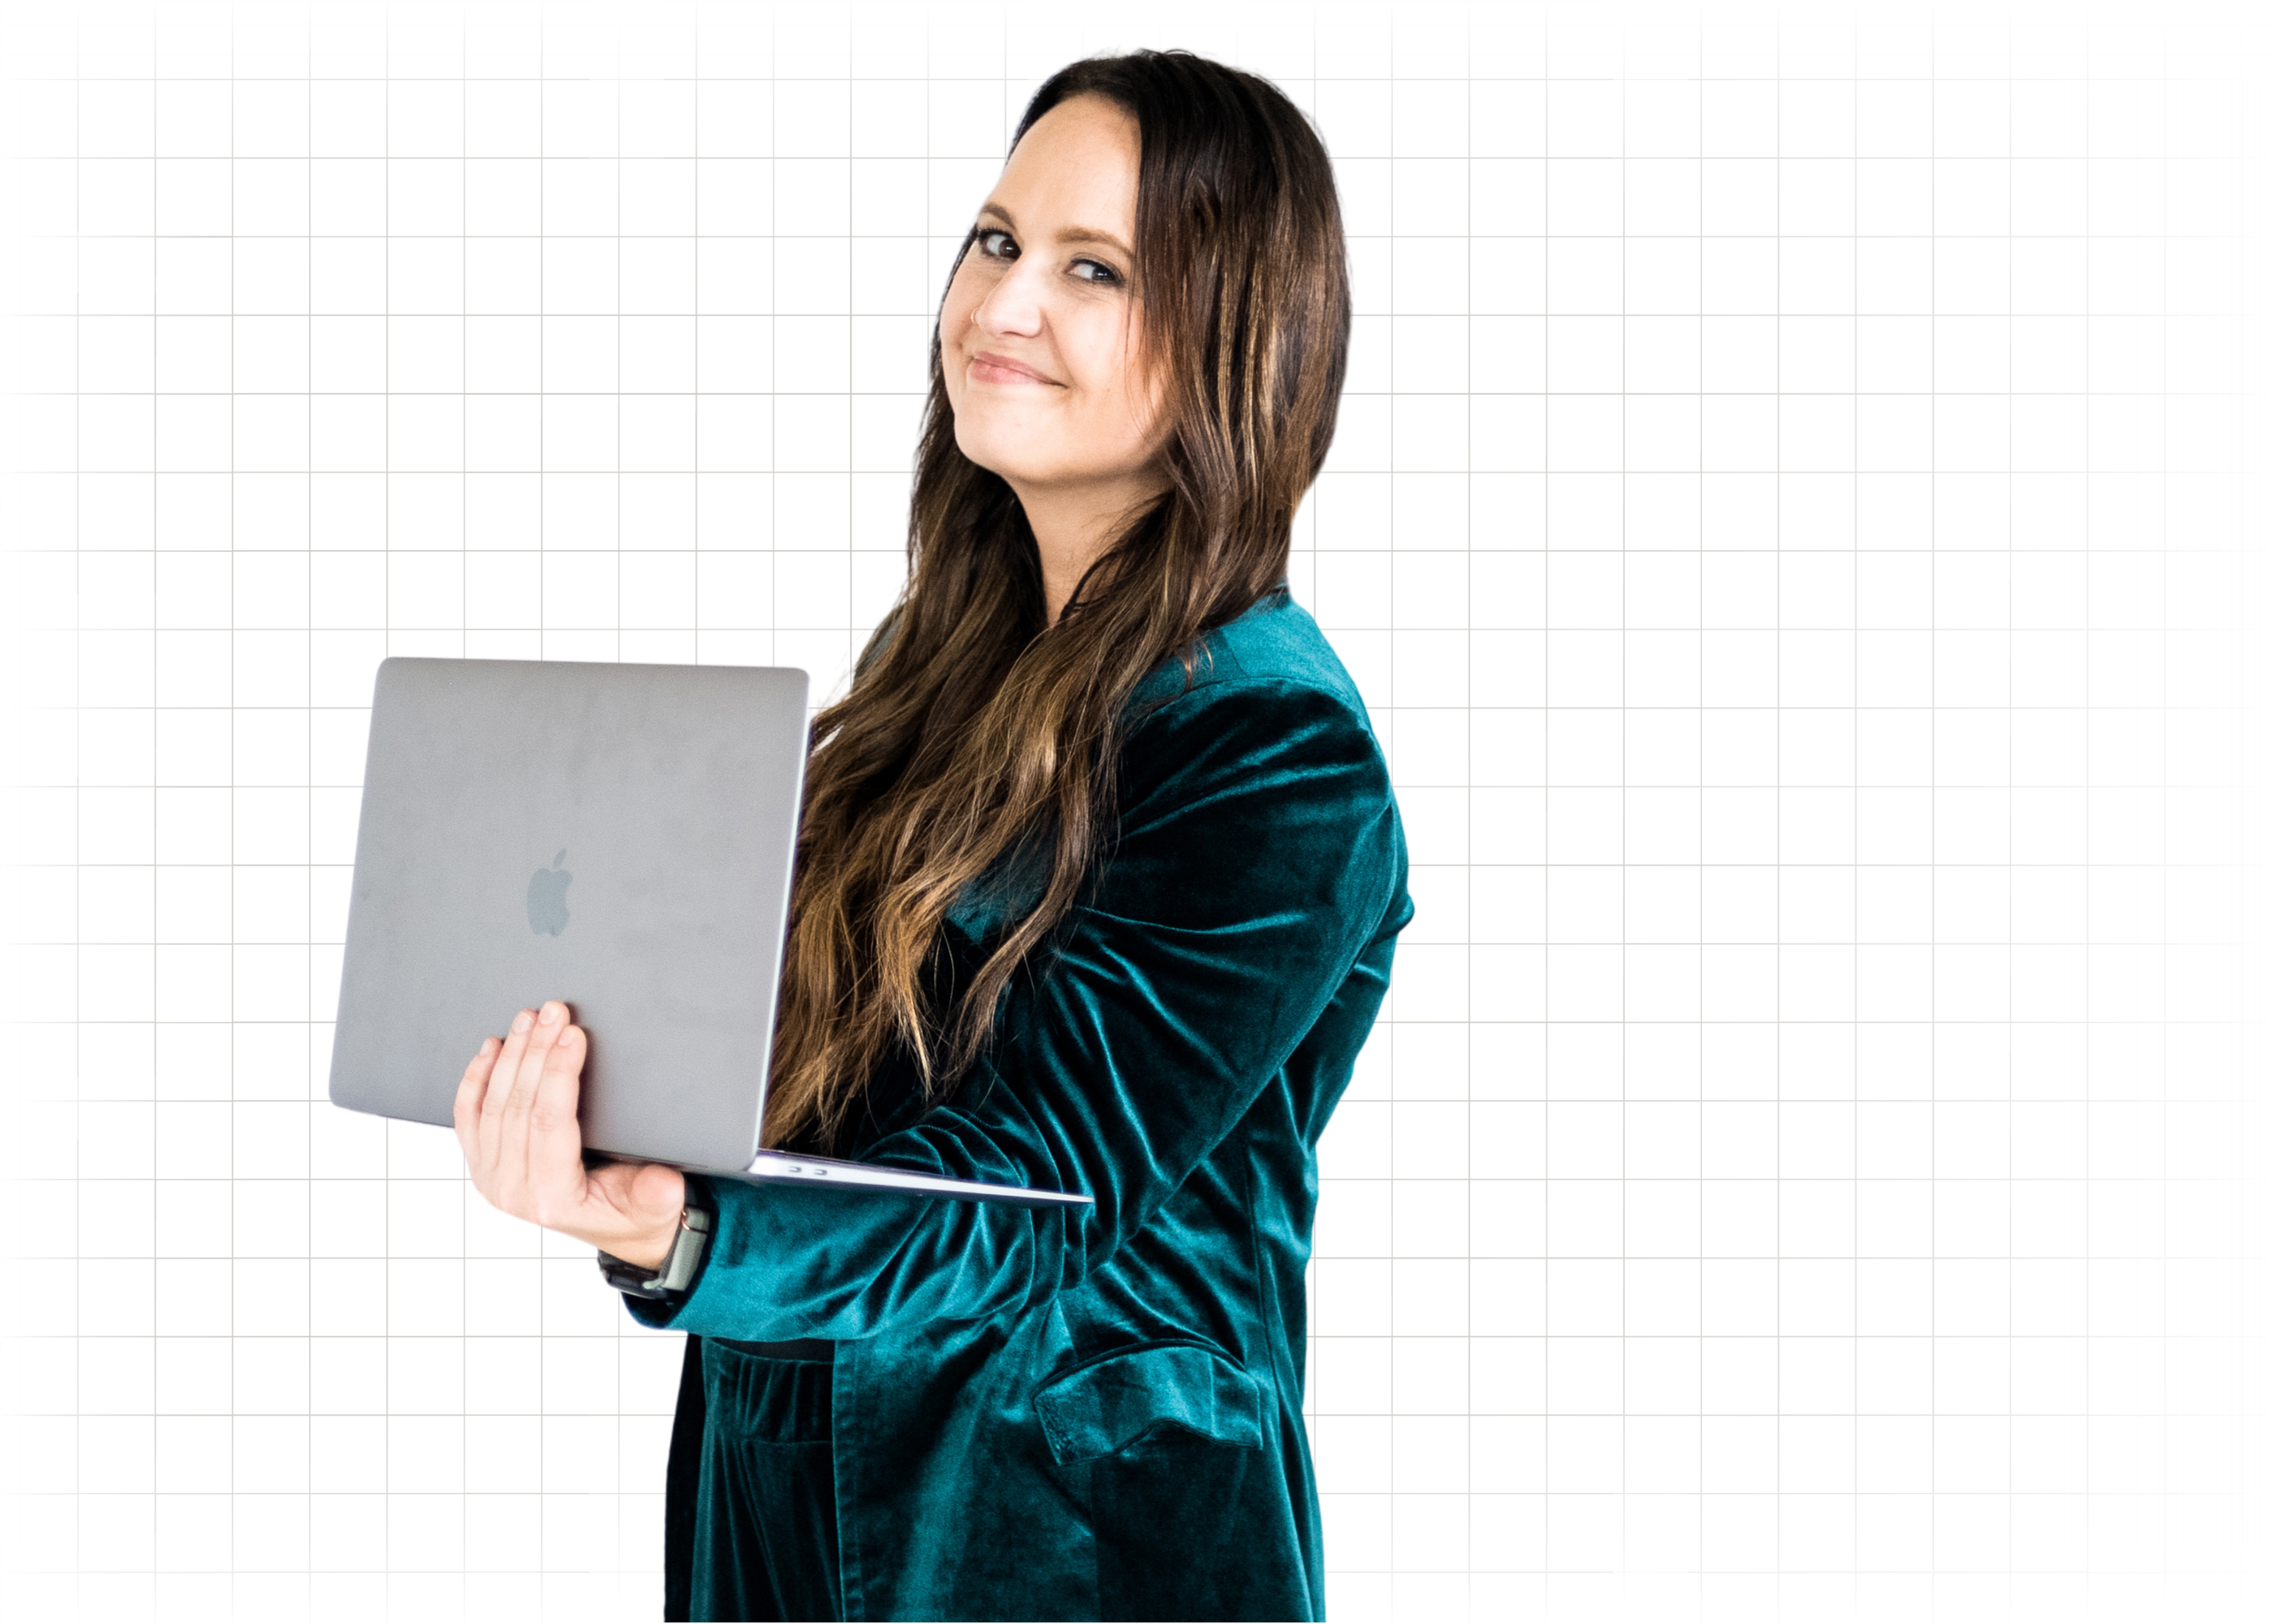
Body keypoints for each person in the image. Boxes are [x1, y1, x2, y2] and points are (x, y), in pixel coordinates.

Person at [452, 48, 1411, 1623]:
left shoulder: (1275, 748)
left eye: (1093, 269)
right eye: (995, 239)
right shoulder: (937, 674)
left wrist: (684, 1228)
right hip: (784, 1486)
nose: (1003, 302)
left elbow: (1039, 1186)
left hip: (1060, 1540)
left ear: (1240, 338)